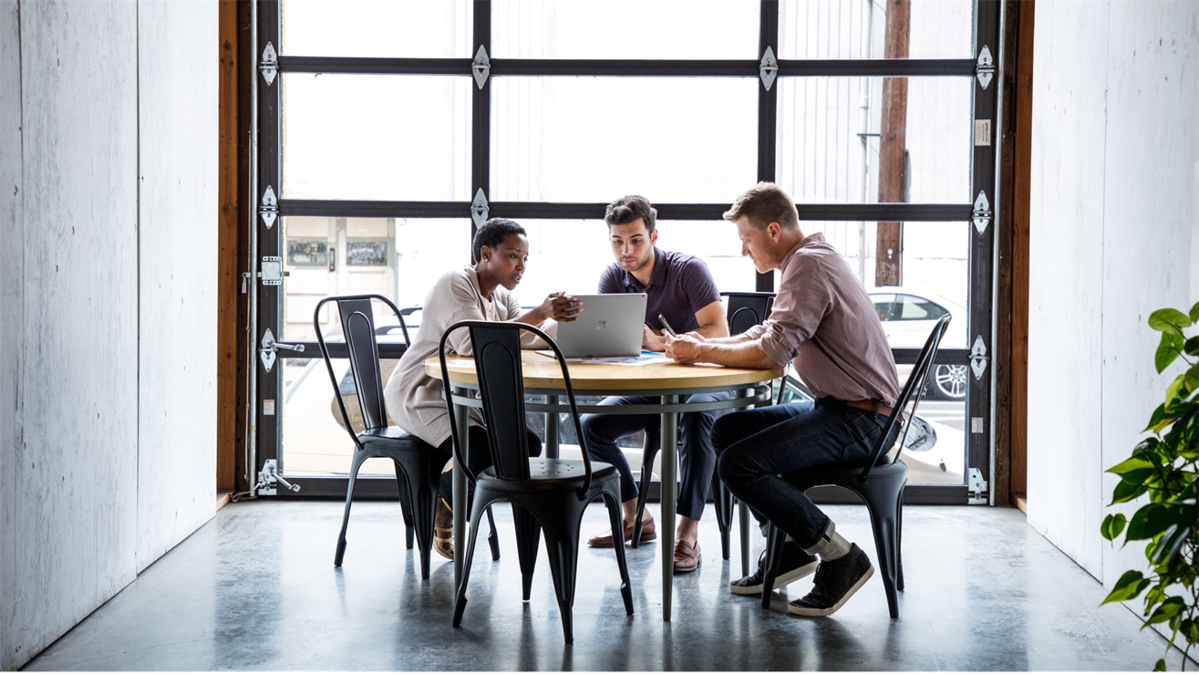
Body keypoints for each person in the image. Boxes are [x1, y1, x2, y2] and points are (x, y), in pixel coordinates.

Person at [664, 182, 900, 616]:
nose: (744, 252)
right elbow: (768, 333)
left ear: (773, 231)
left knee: (739, 463)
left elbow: (774, 353)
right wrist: (706, 344)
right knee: (729, 428)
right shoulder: (807, 260)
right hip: (842, 408)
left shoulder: (807, 266)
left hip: (864, 420)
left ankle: (840, 556)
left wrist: (702, 352)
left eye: (746, 240)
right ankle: (790, 546)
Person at [383, 218, 581, 560]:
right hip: (422, 394)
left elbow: (526, 338)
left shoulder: (501, 296)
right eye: (513, 256)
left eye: (525, 259)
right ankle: (446, 501)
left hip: (460, 397)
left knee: (528, 444)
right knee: (484, 454)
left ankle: (453, 494)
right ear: (486, 253)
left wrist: (562, 319)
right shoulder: (455, 283)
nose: (521, 267)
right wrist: (538, 313)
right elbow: (471, 344)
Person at [581, 195, 732, 574]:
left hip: (707, 379)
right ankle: (636, 517)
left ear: (653, 236)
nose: (625, 250)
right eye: (617, 241)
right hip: (656, 385)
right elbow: (610, 340)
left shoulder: (688, 270)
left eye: (635, 240)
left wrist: (662, 342)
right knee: (592, 427)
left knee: (697, 420)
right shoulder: (613, 277)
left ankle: (687, 533)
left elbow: (720, 331)